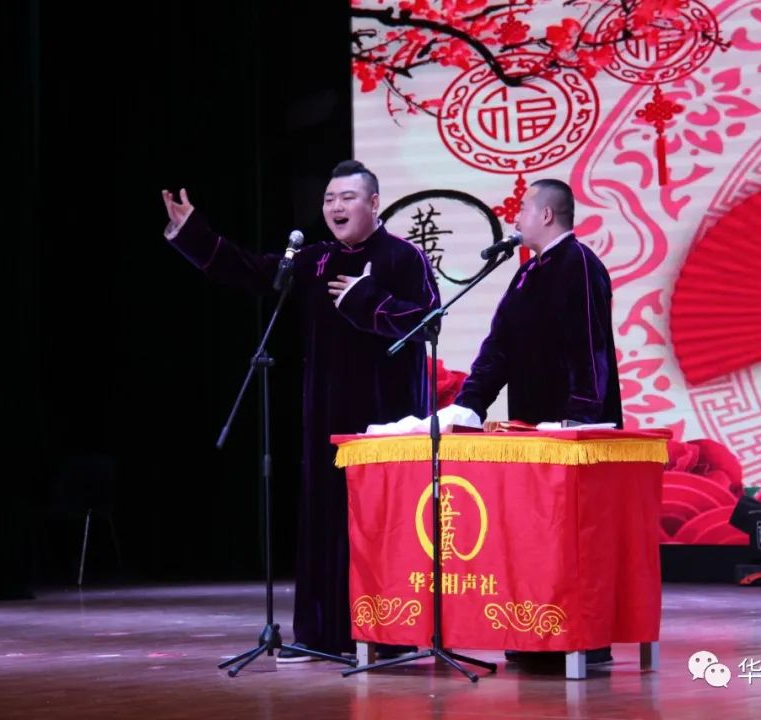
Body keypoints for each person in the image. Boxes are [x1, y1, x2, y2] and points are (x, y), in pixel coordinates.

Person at [162, 161, 439, 661]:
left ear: (374, 203)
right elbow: (252, 270)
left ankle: (388, 637)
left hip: (387, 419)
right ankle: (320, 635)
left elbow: (427, 322)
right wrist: (193, 234)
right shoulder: (315, 259)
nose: (335, 206)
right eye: (329, 198)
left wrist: (365, 299)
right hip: (325, 414)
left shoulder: (404, 257)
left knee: (381, 525)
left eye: (347, 197)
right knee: (324, 522)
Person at [453, 178, 621, 666]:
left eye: (523, 208)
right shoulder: (527, 273)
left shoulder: (580, 264)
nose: (516, 217)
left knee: (573, 538)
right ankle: (535, 633)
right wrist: (470, 403)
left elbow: (591, 346)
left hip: (571, 432)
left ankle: (580, 641)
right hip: (528, 427)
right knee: (532, 534)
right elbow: (499, 346)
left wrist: (580, 417)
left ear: (547, 214)